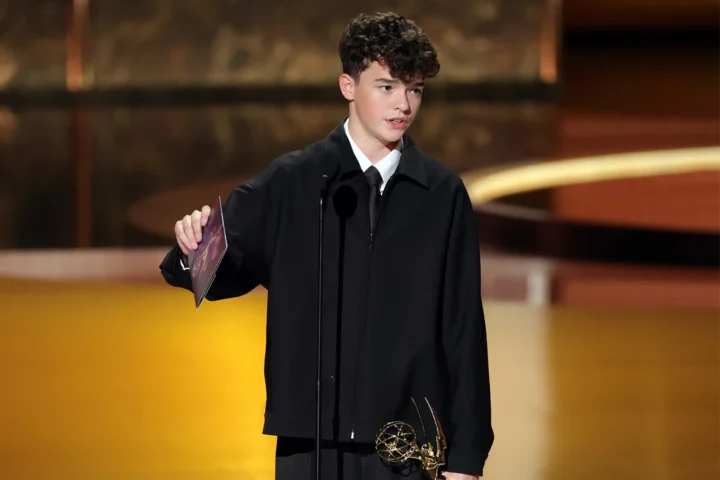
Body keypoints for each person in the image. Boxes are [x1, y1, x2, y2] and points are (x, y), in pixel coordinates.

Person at [160, 12, 493, 480]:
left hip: (405, 446)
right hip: (309, 441)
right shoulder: (293, 181)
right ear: (348, 85)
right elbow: (218, 273)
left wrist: (467, 457)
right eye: (387, 87)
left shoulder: (441, 194)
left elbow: (462, 328)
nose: (403, 105)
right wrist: (191, 248)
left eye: (414, 90)